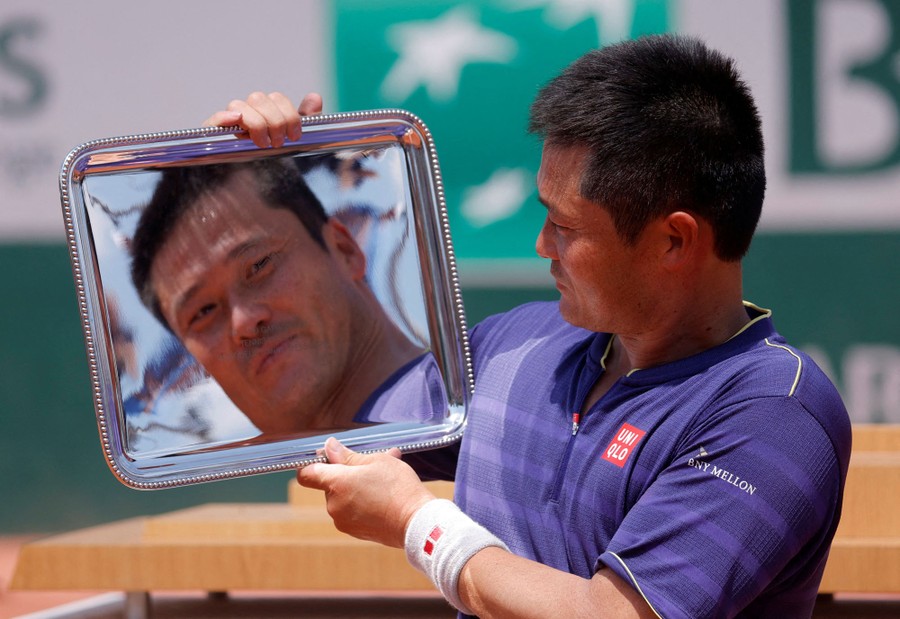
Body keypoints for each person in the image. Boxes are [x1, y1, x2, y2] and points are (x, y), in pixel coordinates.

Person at [207, 34, 851, 618]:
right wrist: (260, 176)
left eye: (566, 228)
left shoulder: (774, 415)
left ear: (674, 241)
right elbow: (323, 416)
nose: (542, 245)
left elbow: (612, 617)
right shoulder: (517, 344)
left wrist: (418, 523)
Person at [130, 158, 444, 436]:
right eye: (203, 311)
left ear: (346, 250)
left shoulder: (490, 381)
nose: (244, 322)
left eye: (259, 265)